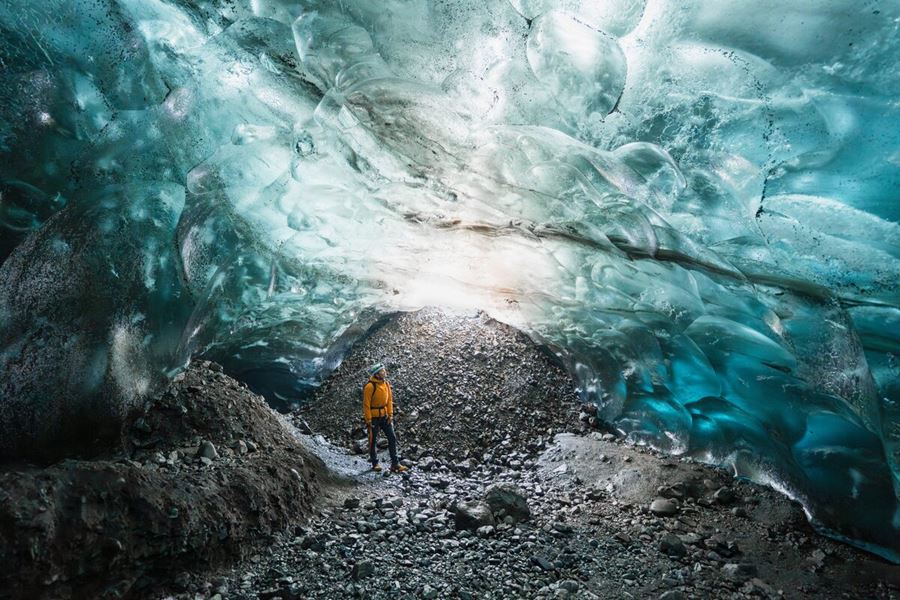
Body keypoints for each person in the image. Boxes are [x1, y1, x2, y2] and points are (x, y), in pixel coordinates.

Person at [363, 362, 407, 473]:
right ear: (377, 374)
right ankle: (375, 463)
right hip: (373, 418)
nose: (384, 372)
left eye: (384, 370)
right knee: (373, 440)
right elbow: (366, 404)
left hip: (385, 416)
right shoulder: (370, 386)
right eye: (382, 371)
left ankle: (395, 464)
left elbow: (389, 401)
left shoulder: (386, 384)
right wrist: (368, 420)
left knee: (392, 437)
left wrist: (390, 414)